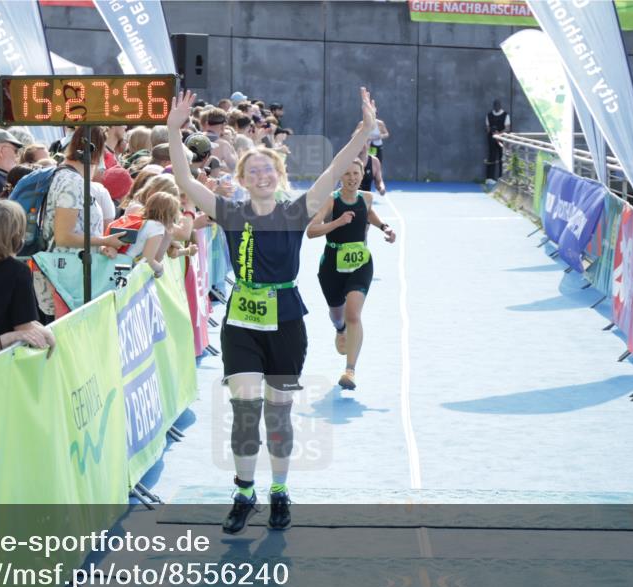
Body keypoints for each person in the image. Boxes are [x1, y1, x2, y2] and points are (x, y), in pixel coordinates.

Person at [168, 87, 378, 534]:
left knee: (278, 413)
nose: (261, 176)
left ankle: (279, 492)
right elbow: (185, 182)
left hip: (285, 321)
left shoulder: (295, 210)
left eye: (268, 169)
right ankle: (244, 491)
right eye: (254, 171)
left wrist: (363, 131)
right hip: (241, 324)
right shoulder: (228, 212)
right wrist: (173, 129)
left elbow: (335, 169)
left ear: (279, 175)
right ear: (243, 180)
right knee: (245, 410)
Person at [307, 159, 395, 391]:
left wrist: (385, 227)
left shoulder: (366, 198)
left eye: (356, 173)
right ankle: (339, 329)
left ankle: (350, 370)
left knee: (353, 314)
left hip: (360, 263)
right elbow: (311, 231)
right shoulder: (331, 200)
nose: (352, 178)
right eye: (347, 174)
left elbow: (370, 214)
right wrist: (337, 222)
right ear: (340, 178)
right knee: (338, 316)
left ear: (361, 174)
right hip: (332, 266)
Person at [35, 126, 125, 318]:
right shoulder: (72, 182)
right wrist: (104, 241)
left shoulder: (63, 175)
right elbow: (63, 236)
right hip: (67, 277)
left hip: (70, 273)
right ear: (97, 152)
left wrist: (100, 245)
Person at [0, 200, 54, 346]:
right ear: (17, 234)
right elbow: (24, 327)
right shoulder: (19, 272)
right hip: (5, 354)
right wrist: (49, 334)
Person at [485, 99, 510, 181]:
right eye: (495, 105)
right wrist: (492, 131)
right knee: (491, 157)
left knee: (501, 157)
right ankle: (490, 178)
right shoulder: (489, 115)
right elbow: (488, 128)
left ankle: (501, 177)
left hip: (502, 139)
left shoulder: (506, 115)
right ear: (493, 106)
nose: (496, 107)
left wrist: (499, 134)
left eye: (498, 105)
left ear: (500, 106)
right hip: (492, 139)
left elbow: (507, 128)